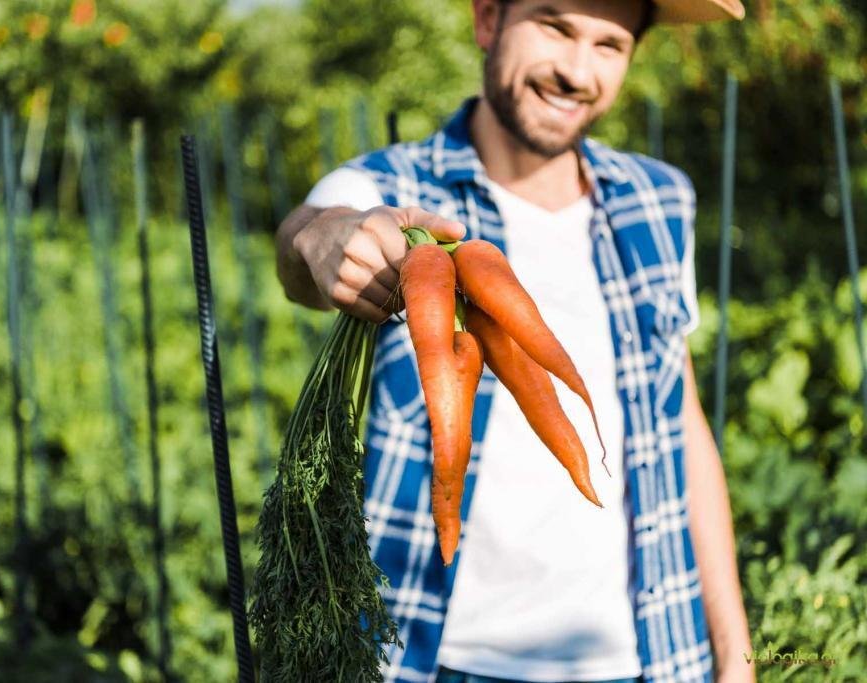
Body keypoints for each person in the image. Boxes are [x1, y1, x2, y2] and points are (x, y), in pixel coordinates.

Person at [274, 1, 755, 681]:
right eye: (554, 27)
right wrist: (324, 243)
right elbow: (310, 235)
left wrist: (735, 652)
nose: (575, 70)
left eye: (608, 44)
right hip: (429, 657)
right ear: (488, 21)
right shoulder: (394, 186)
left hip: (644, 655)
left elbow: (681, 422)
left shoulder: (659, 199)